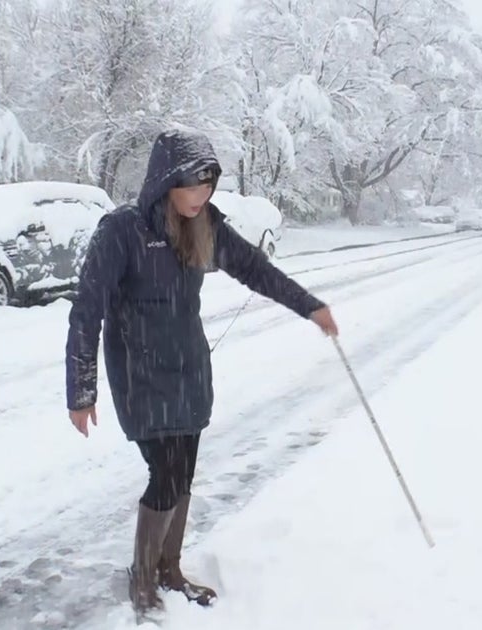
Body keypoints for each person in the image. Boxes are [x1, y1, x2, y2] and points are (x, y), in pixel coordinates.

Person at [65, 129, 338, 619]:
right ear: (166, 181)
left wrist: (310, 307)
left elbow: (256, 269)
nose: (200, 197)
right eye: (191, 185)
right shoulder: (122, 231)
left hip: (189, 370)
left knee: (183, 472)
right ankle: (143, 577)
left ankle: (169, 569)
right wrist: (81, 390)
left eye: (207, 185)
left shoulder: (203, 225)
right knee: (165, 474)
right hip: (141, 374)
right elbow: (87, 310)